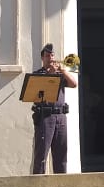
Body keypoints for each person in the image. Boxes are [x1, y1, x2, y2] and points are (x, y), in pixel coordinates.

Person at [31, 44, 78, 174]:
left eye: (52, 55)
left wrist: (63, 71)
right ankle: (38, 183)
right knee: (41, 154)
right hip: (45, 116)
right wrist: (49, 74)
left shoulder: (60, 74)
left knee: (61, 155)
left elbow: (74, 84)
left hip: (61, 116)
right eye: (47, 56)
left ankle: (61, 182)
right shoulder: (38, 74)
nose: (51, 58)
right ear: (42, 58)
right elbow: (34, 95)